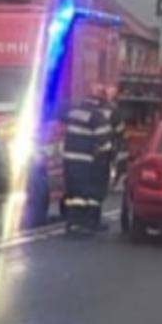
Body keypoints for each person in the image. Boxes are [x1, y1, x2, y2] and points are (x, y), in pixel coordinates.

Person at [61, 84, 119, 232]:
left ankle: (72, 223)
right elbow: (104, 142)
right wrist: (107, 156)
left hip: (69, 160)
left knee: (74, 194)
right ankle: (86, 223)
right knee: (85, 193)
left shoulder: (74, 112)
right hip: (86, 161)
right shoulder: (97, 116)